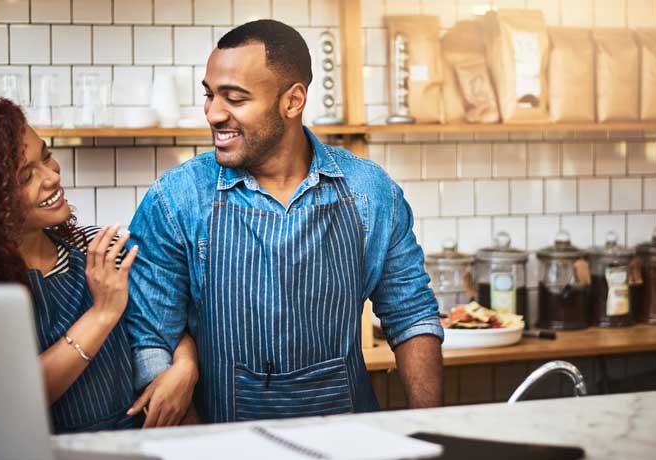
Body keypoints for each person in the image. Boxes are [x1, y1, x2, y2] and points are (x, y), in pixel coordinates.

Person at [126, 19, 444, 423]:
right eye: (209, 96)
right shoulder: (176, 199)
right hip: (224, 444)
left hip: (349, 440)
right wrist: (199, 446)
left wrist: (431, 427)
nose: (213, 114)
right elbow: (150, 338)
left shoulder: (369, 192)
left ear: (292, 101)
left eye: (234, 99)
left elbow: (412, 316)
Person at [0, 95, 198, 433]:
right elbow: (6, 399)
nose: (52, 176)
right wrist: (102, 313)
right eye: (26, 176)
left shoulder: (98, 247)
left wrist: (185, 366)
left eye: (47, 157)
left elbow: (162, 317)